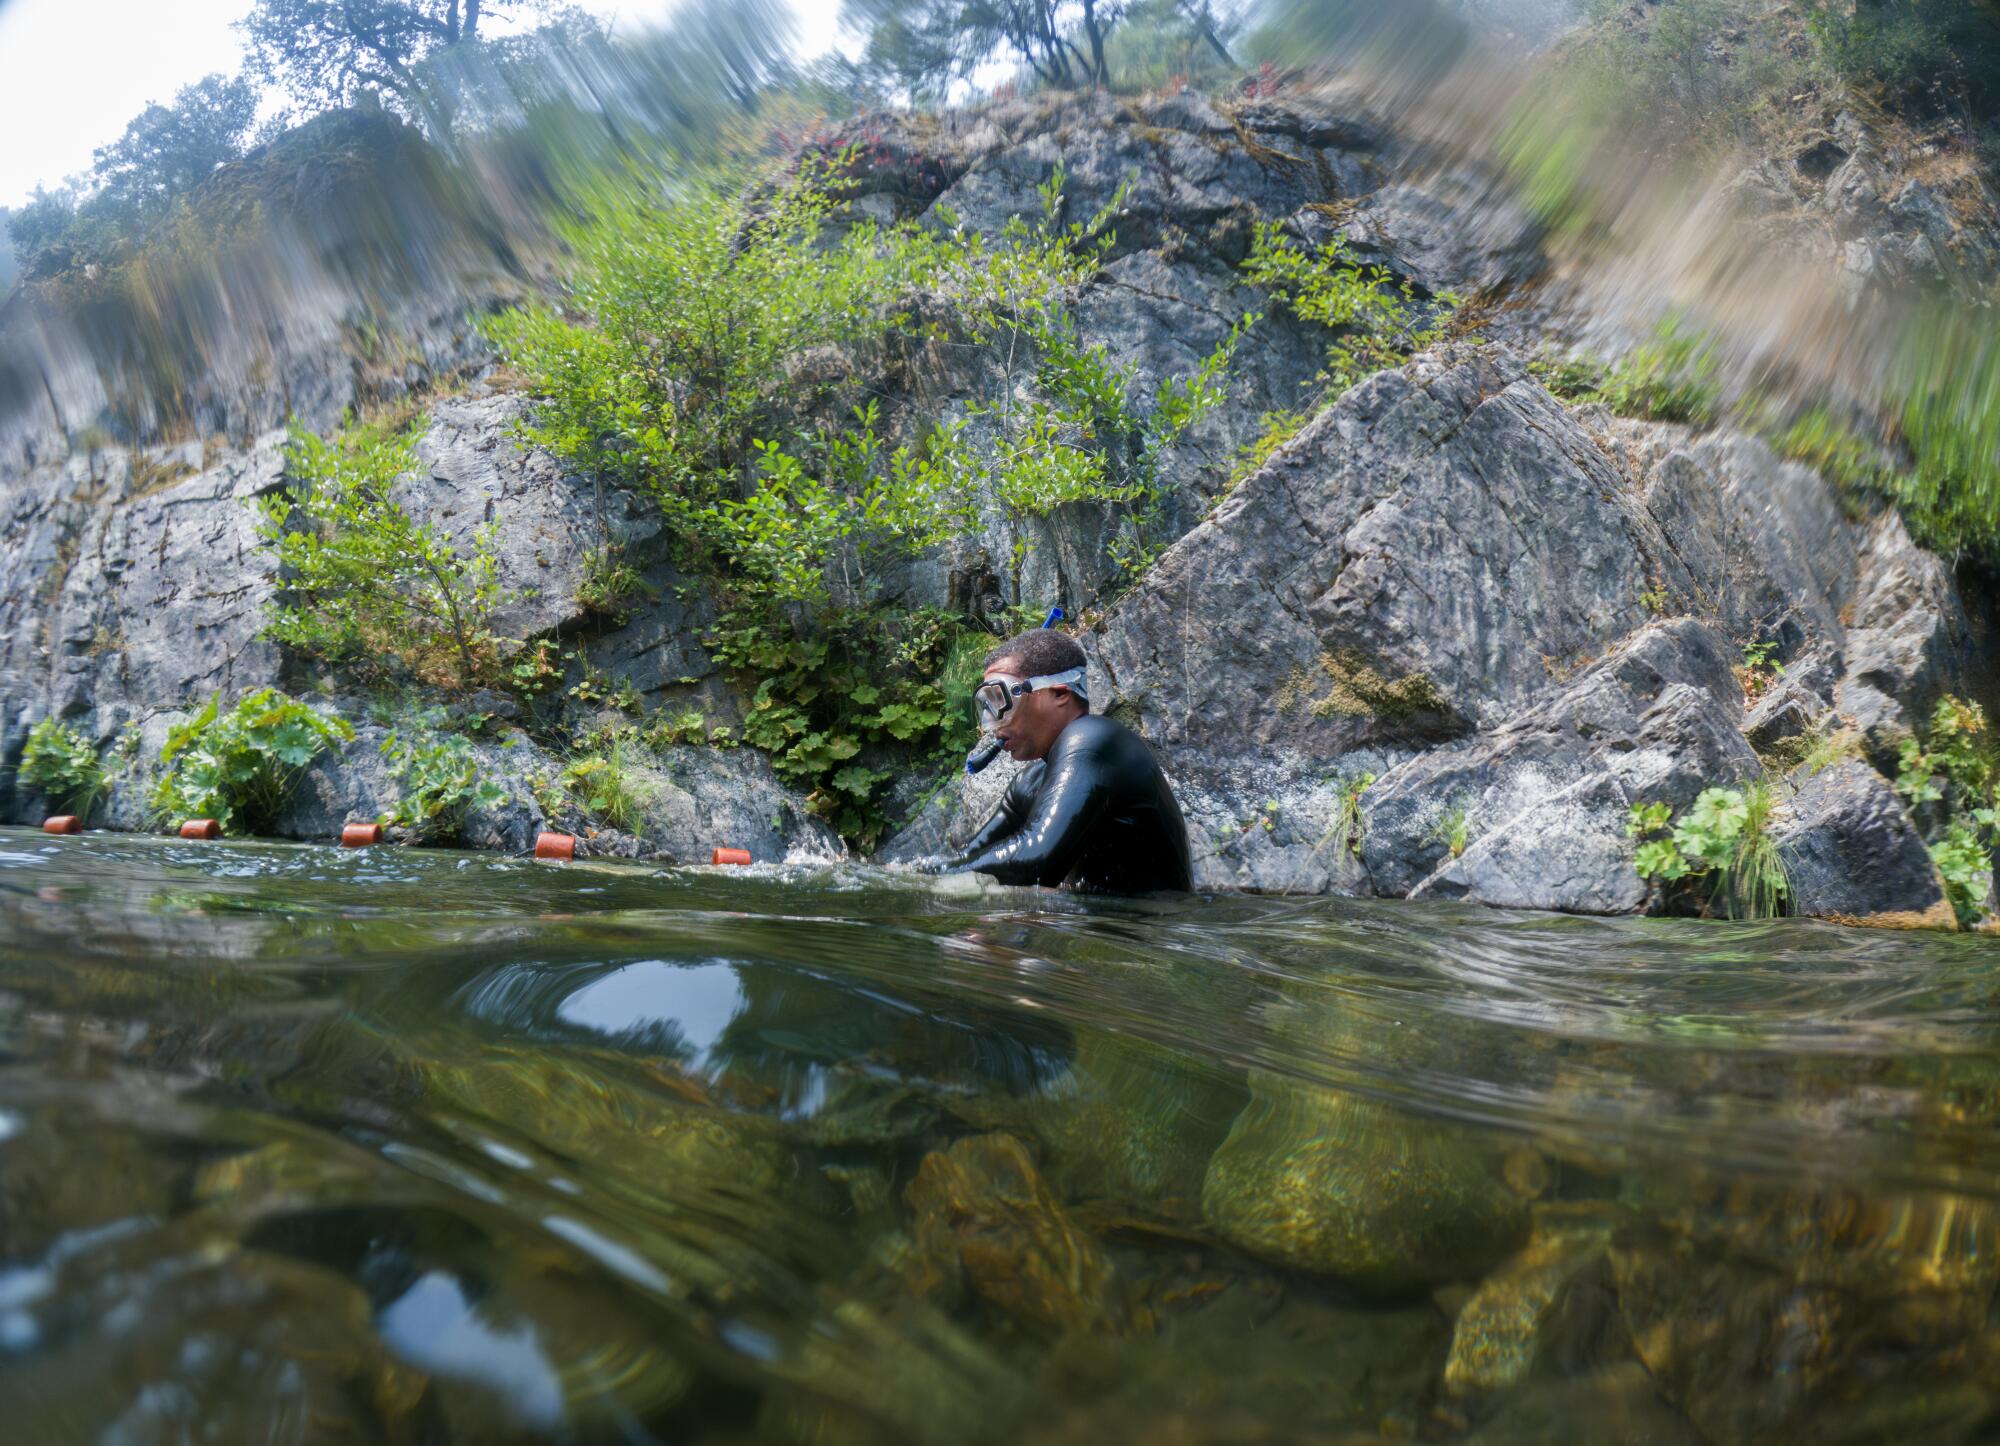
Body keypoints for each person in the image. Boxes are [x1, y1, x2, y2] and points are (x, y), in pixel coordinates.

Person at [931, 629, 1193, 893]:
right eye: (985, 705)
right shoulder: (1029, 782)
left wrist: (940, 876)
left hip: (1153, 930)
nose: (993, 722)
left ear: (1059, 694)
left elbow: (1038, 858)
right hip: (1096, 926)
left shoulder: (1095, 742)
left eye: (1001, 700)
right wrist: (924, 873)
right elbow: (966, 859)